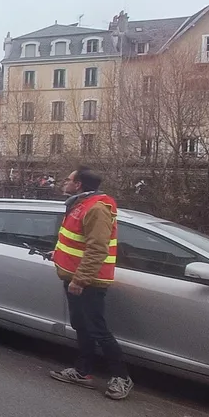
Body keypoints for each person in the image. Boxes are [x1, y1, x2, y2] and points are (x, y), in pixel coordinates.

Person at [48, 166, 131, 400]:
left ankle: (122, 377)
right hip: (74, 278)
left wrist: (81, 279)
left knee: (97, 329)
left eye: (68, 179)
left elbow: (97, 248)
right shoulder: (80, 204)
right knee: (82, 325)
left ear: (79, 185)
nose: (64, 182)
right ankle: (83, 371)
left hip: (88, 282)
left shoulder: (97, 208)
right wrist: (58, 254)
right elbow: (77, 241)